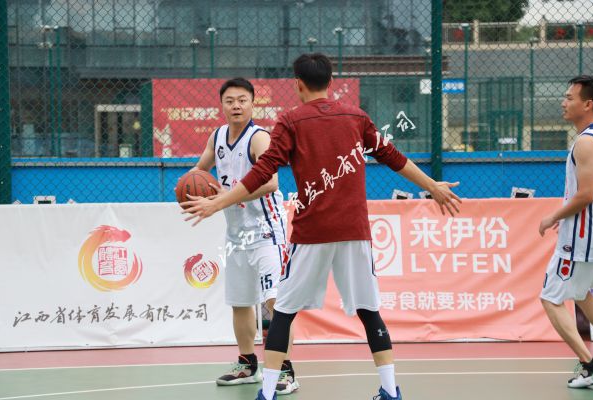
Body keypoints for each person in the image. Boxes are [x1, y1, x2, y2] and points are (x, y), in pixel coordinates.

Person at [182, 54, 460, 400]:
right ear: (330, 82)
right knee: (369, 311)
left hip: (311, 234)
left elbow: (262, 172)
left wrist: (218, 202)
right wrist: (432, 186)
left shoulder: (290, 121)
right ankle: (390, 390)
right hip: (354, 231)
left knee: (283, 312)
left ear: (298, 84)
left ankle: (267, 393)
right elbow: (392, 156)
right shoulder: (357, 117)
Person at [191, 77, 298, 395]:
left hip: (267, 232)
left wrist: (224, 197)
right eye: (230, 101)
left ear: (252, 104)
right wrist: (190, 187)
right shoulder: (217, 137)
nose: (236, 105)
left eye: (242, 100)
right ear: (222, 105)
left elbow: (271, 182)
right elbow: (199, 172)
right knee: (239, 303)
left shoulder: (259, 138)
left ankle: (285, 370)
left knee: (275, 303)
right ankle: (248, 363)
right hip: (236, 235)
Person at [539, 75, 593, 390]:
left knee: (550, 298)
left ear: (587, 104)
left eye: (569, 98)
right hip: (590, 236)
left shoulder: (586, 142)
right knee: (581, 292)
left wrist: (553, 216)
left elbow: (585, 194)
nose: (563, 102)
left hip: (581, 241)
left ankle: (591, 364)